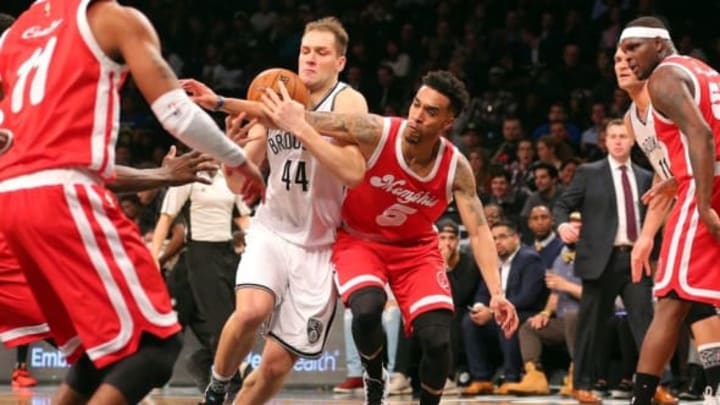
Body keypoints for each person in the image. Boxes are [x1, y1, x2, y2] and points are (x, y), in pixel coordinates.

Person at [0, 1, 264, 404]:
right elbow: (176, 112)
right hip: (61, 194)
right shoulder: (113, 19)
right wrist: (241, 161)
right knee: (153, 348)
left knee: (103, 350)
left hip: (12, 199)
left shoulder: (15, 35)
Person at [252, 70, 519, 405]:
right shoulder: (377, 131)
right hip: (360, 240)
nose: (417, 116)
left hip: (417, 250)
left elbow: (479, 231)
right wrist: (219, 102)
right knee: (366, 310)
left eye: (431, 112)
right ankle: (374, 377)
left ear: (448, 122)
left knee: (437, 341)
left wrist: (497, 293)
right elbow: (302, 117)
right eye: (416, 105)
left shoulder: (456, 167)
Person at [182, 17, 370, 405]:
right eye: (305, 51)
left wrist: (300, 127)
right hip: (273, 230)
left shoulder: (348, 102)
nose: (310, 59)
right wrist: (230, 152)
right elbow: (237, 183)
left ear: (340, 63)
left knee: (274, 368)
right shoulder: (275, 94)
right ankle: (216, 389)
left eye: (322, 52)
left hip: (321, 245)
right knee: (252, 311)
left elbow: (353, 173)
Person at [619, 16, 720, 405]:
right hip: (697, 179)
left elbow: (703, 134)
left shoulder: (663, 78)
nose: (627, 59)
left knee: (672, 298)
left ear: (660, 45)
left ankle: (641, 398)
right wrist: (676, 177)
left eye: (634, 49)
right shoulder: (705, 71)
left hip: (703, 192)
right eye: (622, 52)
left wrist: (703, 198)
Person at [553, 119, 655, 404]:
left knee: (646, 324)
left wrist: (654, 255)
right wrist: (562, 227)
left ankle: (657, 383)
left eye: (624, 136)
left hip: (635, 258)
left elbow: (654, 221)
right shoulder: (589, 172)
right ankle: (581, 384)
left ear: (632, 140)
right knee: (590, 326)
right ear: (605, 142)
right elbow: (562, 205)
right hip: (601, 259)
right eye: (613, 136)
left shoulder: (646, 176)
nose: (619, 141)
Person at [150, 160, 250, 393]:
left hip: (227, 253)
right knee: (221, 322)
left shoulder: (230, 177)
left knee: (239, 320)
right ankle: (231, 382)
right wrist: (153, 258)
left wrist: (255, 239)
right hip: (199, 253)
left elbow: (243, 217)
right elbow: (166, 218)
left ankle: (203, 361)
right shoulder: (188, 178)